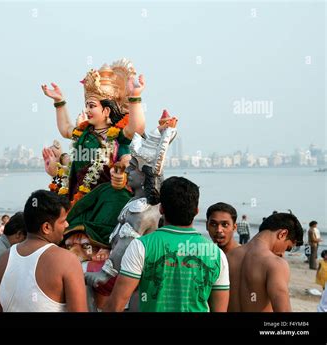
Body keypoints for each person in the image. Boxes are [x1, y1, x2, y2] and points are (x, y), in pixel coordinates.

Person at [84, 113, 178, 308]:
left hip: (131, 278)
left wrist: (103, 275)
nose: (127, 171)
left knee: (80, 275)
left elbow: (125, 246)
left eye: (132, 168)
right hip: (130, 273)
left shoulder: (141, 211)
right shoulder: (139, 202)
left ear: (144, 177)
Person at [104, 176, 230, 312]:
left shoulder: (141, 246)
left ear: (161, 209)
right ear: (196, 211)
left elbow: (116, 305)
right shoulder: (216, 254)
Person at [41, 58, 146, 203]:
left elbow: (136, 129)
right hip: (77, 196)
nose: (87, 110)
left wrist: (135, 97)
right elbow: (65, 129)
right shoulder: (83, 133)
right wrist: (59, 101)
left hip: (106, 198)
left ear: (107, 110)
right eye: (87, 106)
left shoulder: (116, 136)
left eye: (92, 106)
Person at [0, 190, 87, 312]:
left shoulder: (3, 259)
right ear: (46, 227)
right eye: (62, 221)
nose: (67, 225)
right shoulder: (67, 261)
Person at [227, 212, 303, 312]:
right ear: (282, 234)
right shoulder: (275, 264)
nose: (283, 254)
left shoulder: (227, 256)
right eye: (287, 248)